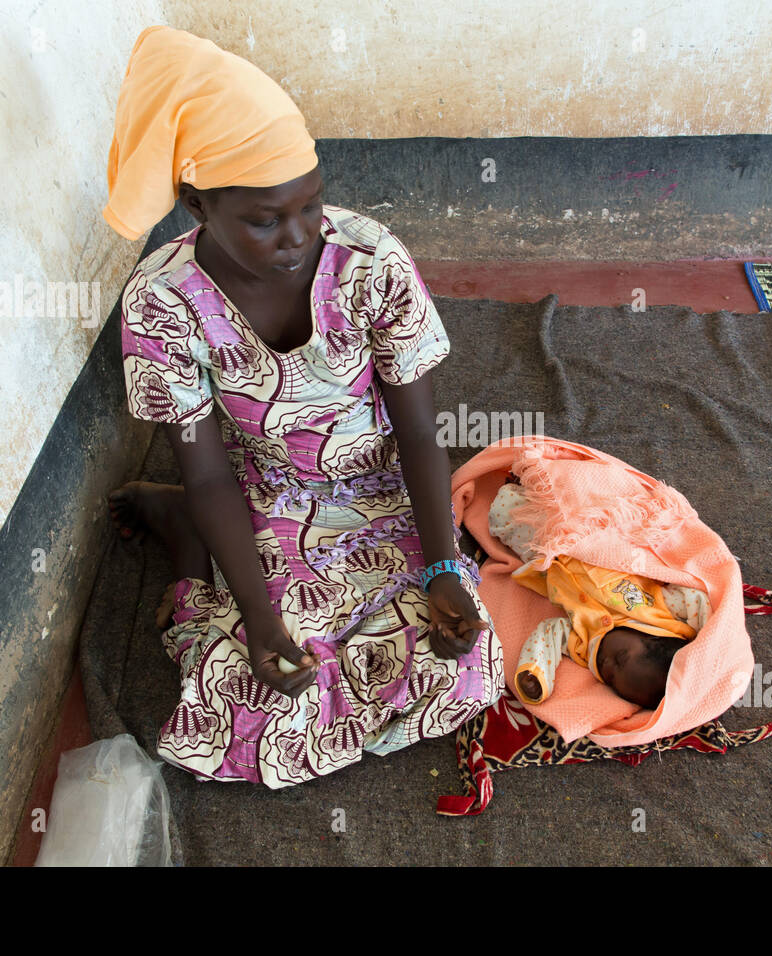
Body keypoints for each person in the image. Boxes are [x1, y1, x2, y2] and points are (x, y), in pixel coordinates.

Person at [102, 25, 502, 788]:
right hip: (264, 492)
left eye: (310, 207)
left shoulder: (370, 260)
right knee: (255, 689)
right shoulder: (162, 302)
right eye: (264, 219)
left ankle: (201, 552)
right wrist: (258, 617)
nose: (298, 237)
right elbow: (213, 473)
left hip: (380, 481)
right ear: (196, 205)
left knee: (463, 662)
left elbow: (418, 429)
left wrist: (443, 565)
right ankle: (192, 540)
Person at [488, 481, 710, 710]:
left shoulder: (585, 645)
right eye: (621, 658)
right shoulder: (659, 611)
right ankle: (540, 481)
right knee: (568, 492)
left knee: (503, 511)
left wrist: (536, 671)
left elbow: (551, 633)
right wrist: (707, 640)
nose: (607, 664)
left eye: (612, 680)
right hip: (599, 536)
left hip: (549, 557)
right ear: (651, 638)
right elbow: (696, 599)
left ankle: (527, 491)